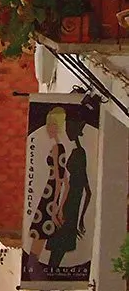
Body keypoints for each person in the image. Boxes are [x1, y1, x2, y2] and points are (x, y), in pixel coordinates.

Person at [24, 106, 67, 276]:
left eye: (50, 125)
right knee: (41, 231)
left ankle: (33, 266)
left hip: (50, 194)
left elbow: (59, 179)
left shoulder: (57, 148)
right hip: (51, 193)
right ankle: (33, 265)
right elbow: (65, 181)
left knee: (40, 231)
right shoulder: (60, 147)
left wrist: (55, 205)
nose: (48, 129)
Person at [47, 114, 92, 270]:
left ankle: (51, 274)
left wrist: (81, 219)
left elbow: (88, 192)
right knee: (58, 246)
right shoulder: (75, 151)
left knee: (59, 245)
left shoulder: (80, 153)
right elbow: (87, 191)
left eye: (68, 128)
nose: (66, 131)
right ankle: (51, 274)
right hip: (69, 204)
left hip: (70, 205)